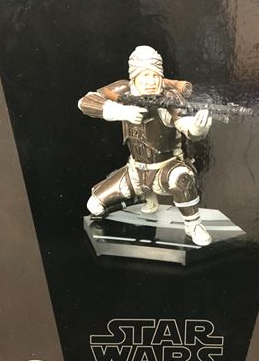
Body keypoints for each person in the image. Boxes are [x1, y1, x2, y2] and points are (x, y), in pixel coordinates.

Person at [78, 45, 213, 246]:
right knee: (94, 206)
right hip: (135, 170)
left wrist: (197, 127)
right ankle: (140, 199)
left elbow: (184, 124)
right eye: (145, 75)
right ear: (134, 77)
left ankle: (193, 225)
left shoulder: (170, 97)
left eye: (155, 75)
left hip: (166, 169)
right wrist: (121, 112)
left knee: (181, 179)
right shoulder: (123, 90)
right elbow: (85, 102)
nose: (150, 81)